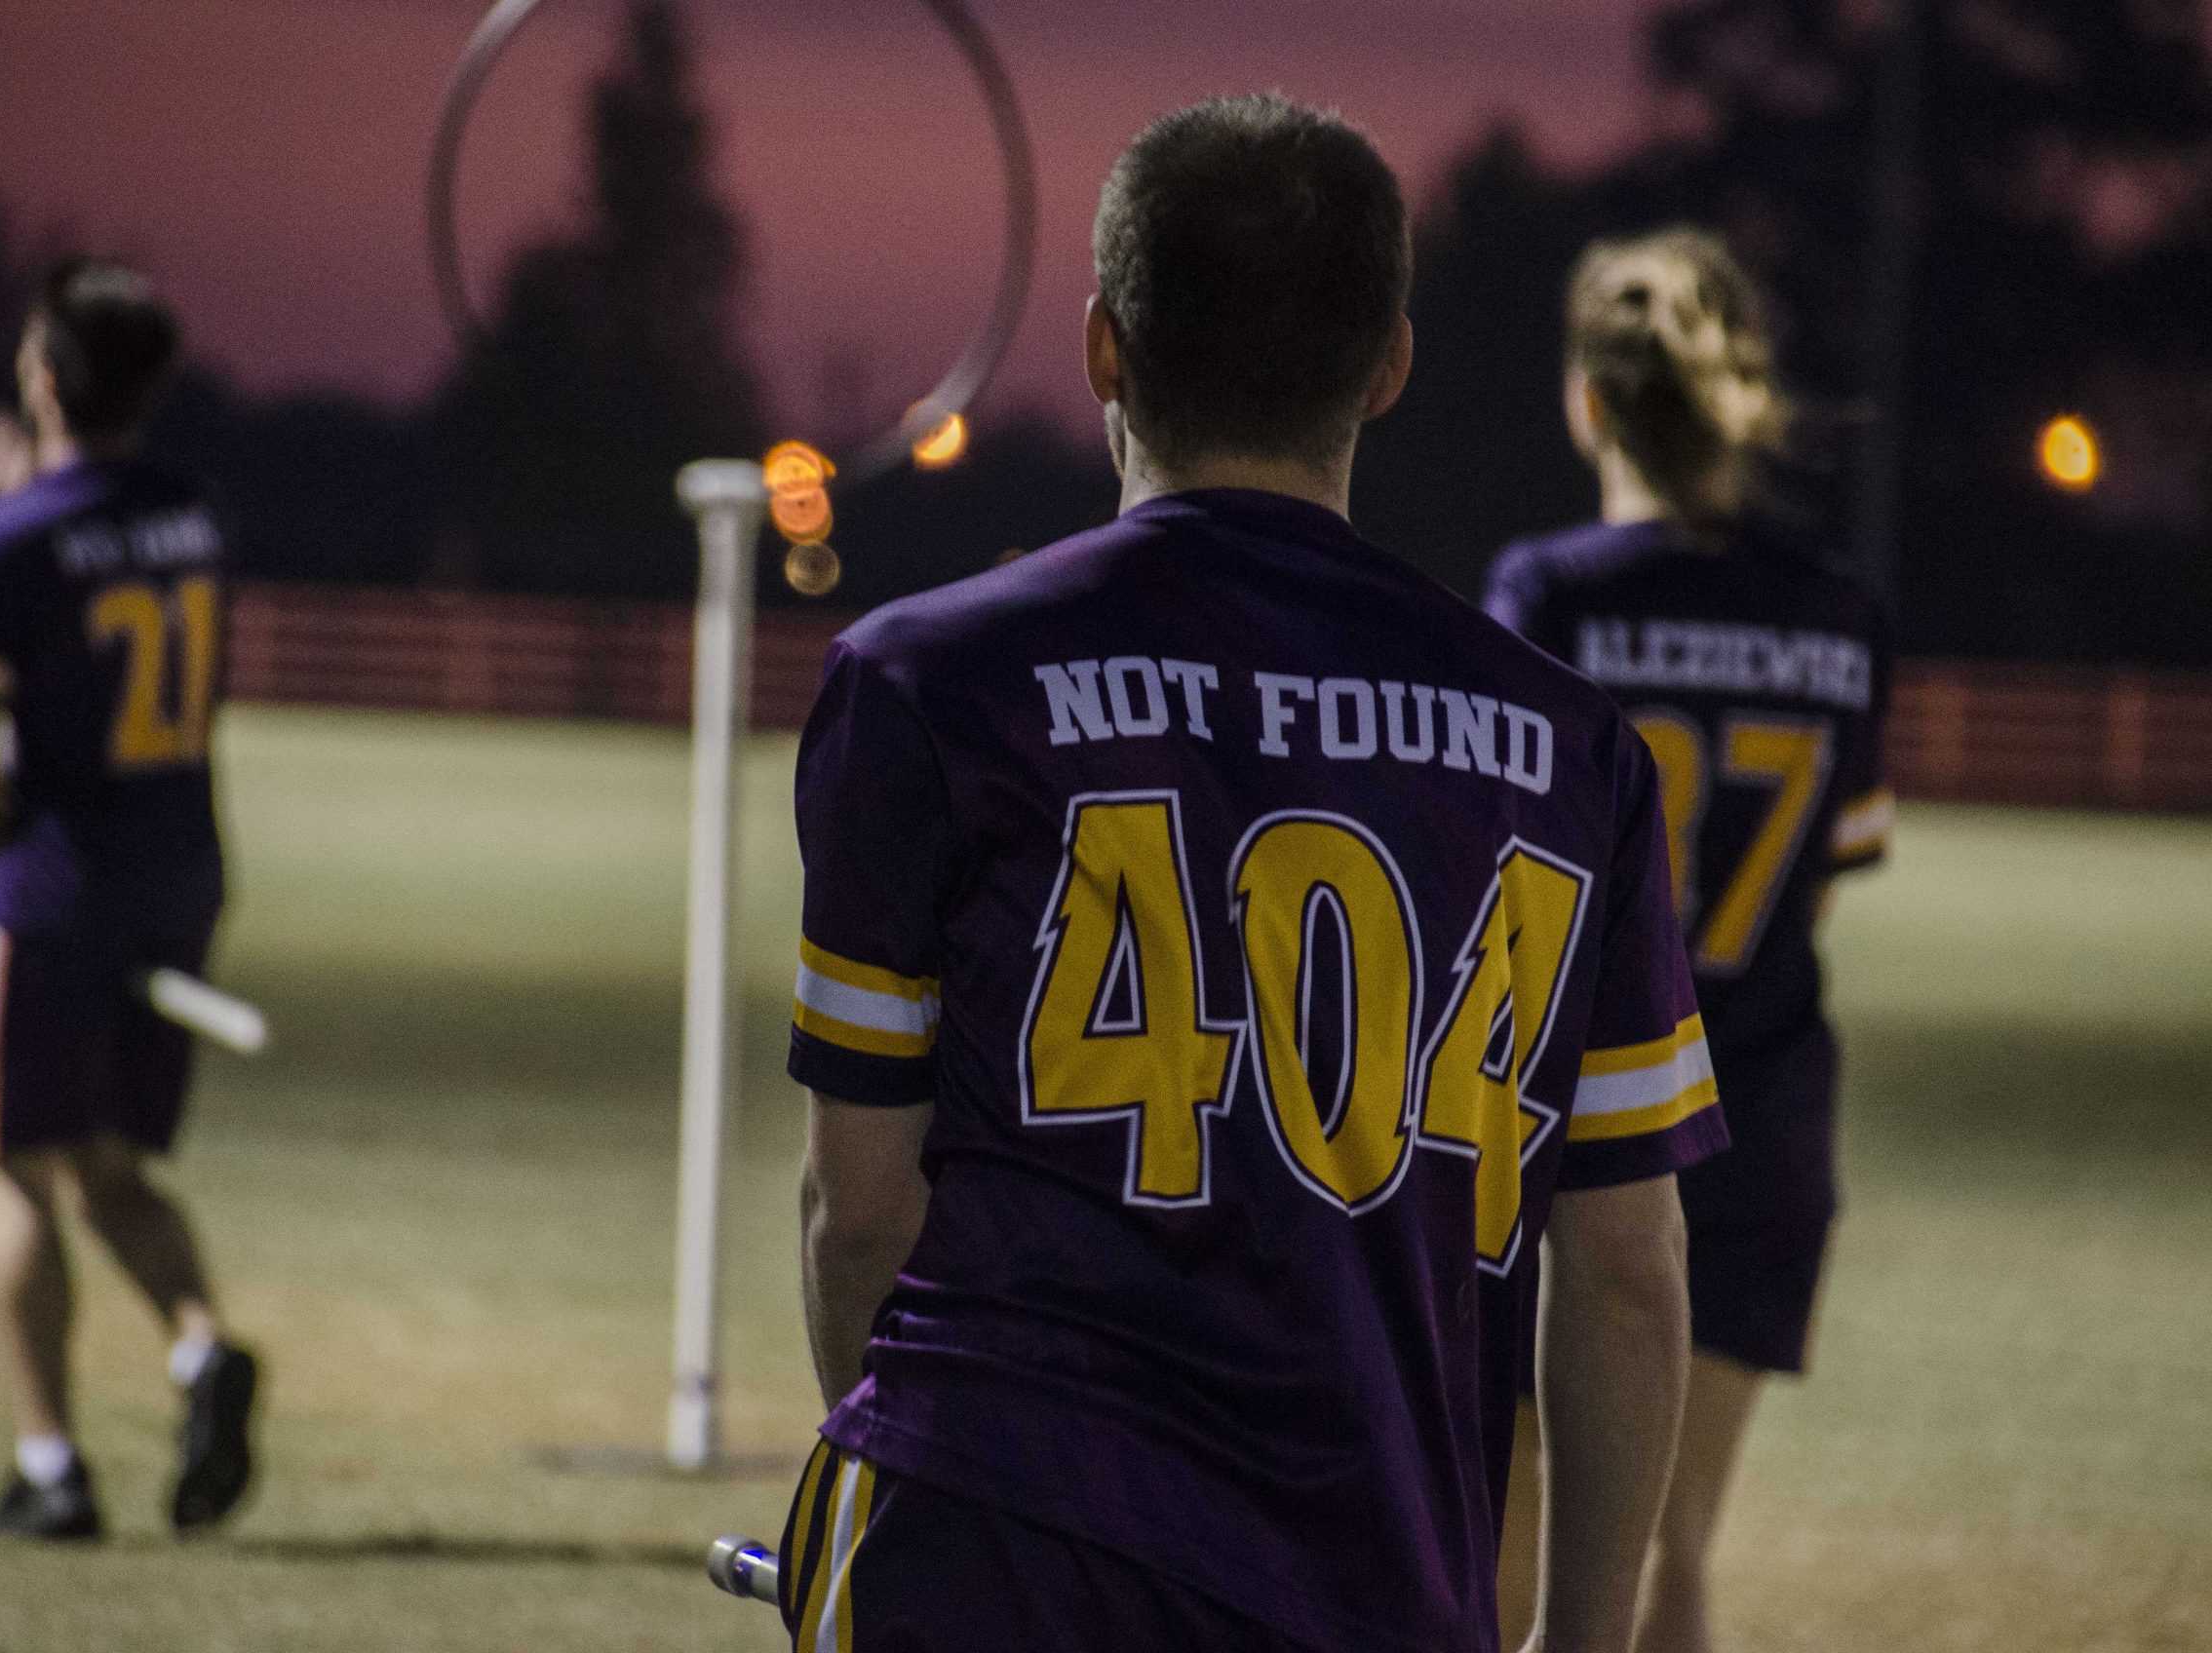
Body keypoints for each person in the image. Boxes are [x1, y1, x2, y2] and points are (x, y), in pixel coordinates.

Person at [777, 96, 1728, 1653]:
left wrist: (904, 1480)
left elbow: (857, 1206)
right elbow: (1625, 1270)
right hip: (1369, 1568)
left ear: (1103, 345)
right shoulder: (1567, 748)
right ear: (1389, 362)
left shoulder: (926, 680)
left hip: (1000, 1533)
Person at [1482, 229, 1892, 1653]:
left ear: (1589, 403)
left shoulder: (1550, 595)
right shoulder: (1839, 607)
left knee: (1527, 1523)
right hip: (1764, 1099)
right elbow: (1828, 879)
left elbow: (1509, 874)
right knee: (1670, 1544)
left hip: (1575, 1114)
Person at [0, 259, 259, 1542]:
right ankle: (198, 1350)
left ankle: (51, 1465)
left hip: (58, 881)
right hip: (182, 866)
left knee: (15, 1158)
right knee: (113, 1164)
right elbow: (100, 548)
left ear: (48, 381)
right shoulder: (199, 512)